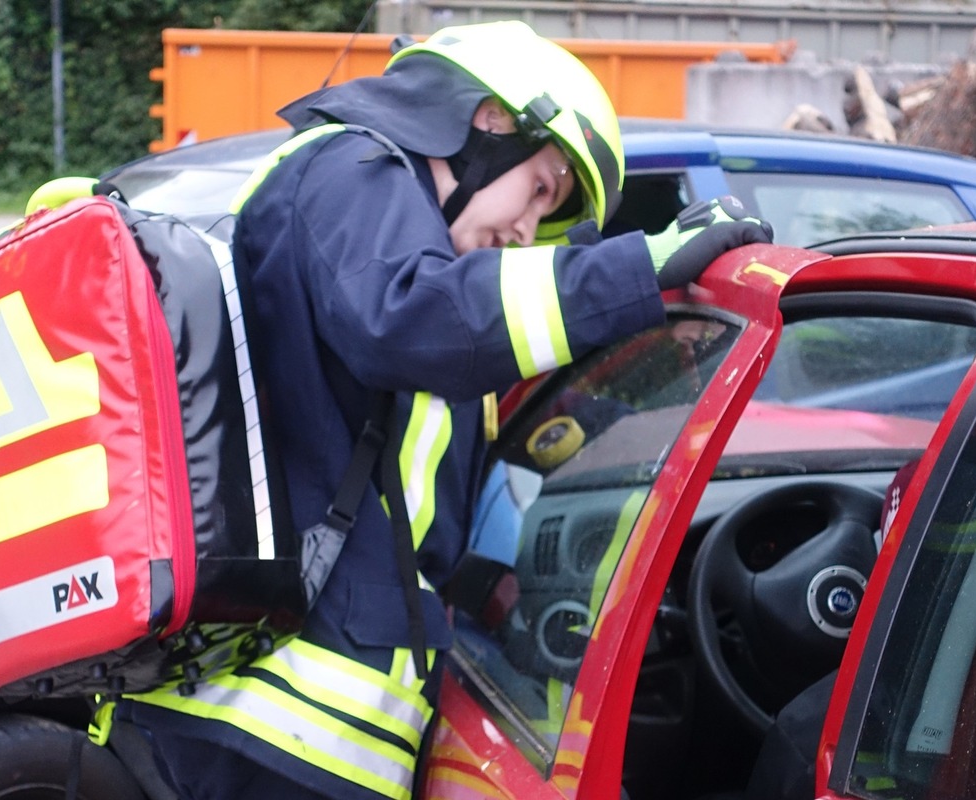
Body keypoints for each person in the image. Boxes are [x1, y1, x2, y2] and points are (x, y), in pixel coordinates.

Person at [110, 19, 772, 800]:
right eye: (541, 189)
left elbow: (402, 480)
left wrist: (482, 583)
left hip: (306, 733)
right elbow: (406, 319)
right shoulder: (353, 167)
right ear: (488, 120)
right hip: (270, 727)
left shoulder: (418, 261)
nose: (528, 229)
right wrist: (639, 267)